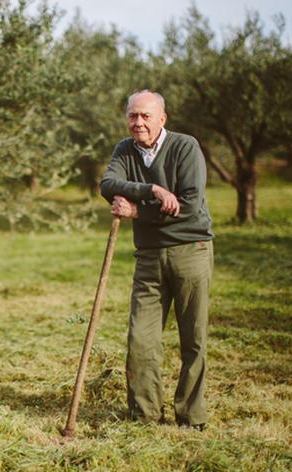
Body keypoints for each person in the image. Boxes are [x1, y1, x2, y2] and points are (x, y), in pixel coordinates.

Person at [100, 90, 214, 430]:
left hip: (190, 249)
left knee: (193, 337)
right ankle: (145, 415)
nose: (138, 123)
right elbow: (108, 184)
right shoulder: (124, 149)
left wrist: (137, 210)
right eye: (133, 116)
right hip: (148, 257)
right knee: (141, 339)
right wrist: (152, 191)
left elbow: (189, 206)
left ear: (162, 119)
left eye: (145, 116)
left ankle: (191, 417)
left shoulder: (185, 146)